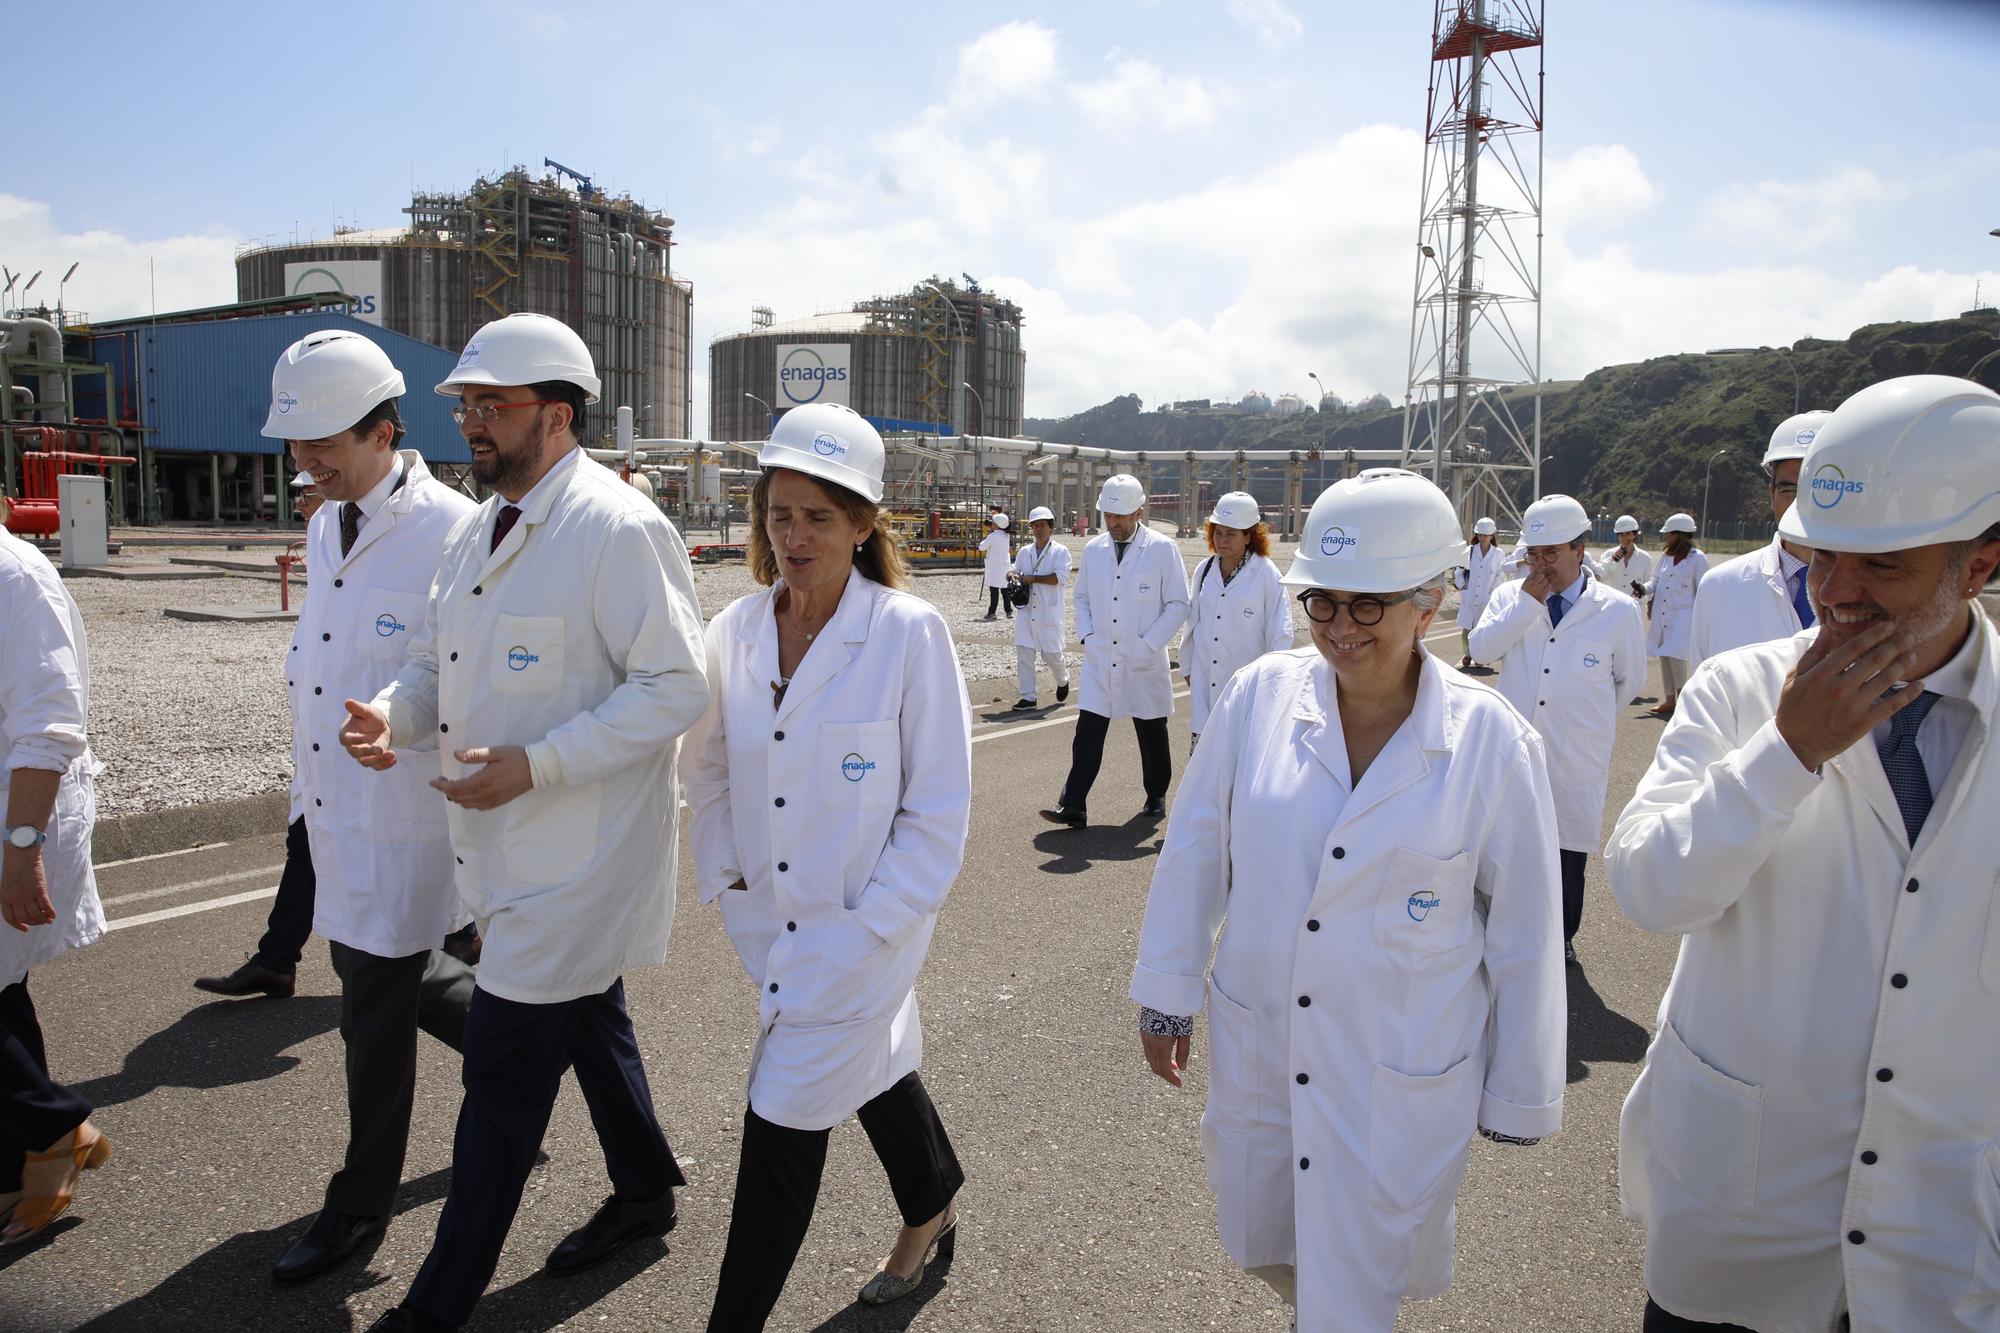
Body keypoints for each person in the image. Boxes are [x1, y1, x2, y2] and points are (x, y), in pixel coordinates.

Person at [1606, 374, 2000, 1333]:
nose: (1837, 593)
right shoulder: (1741, 693)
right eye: (1822, 558)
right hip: (1746, 1207)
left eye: (1885, 566)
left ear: (1981, 563)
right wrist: (1785, 754)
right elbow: (1649, 887)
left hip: (1943, 1230)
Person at [1130, 468, 1565, 1333]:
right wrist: (1167, 993)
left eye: (1368, 604)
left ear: (1430, 599)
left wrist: (1520, 1087)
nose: (1339, 627)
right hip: (1265, 1037)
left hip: (1396, 1066)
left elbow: (1525, 925)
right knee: (1277, 1245)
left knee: (1360, 1269)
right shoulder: (1260, 698)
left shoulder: (1490, 741)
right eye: (1322, 602)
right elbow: (1194, 851)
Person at [340, 313, 708, 1332]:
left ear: (555, 413)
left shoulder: (618, 527)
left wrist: (538, 764)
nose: (471, 425)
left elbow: (676, 688)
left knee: (500, 1082)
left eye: (490, 407)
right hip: (503, 845)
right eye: (465, 406)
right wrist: (393, 714)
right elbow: (432, 661)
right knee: (591, 1016)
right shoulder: (476, 526)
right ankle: (643, 1189)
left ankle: (433, 1308)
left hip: (575, 857)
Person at [683, 402, 972, 1331]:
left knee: (782, 1119)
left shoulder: (906, 633)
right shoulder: (734, 629)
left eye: (818, 516)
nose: (794, 536)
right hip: (768, 919)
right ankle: (932, 1204)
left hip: (870, 926)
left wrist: (870, 928)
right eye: (779, 513)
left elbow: (936, 814)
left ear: (863, 523)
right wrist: (726, 878)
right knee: (878, 1064)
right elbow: (711, 766)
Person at [250, 331, 482, 1284]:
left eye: (322, 445)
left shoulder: (455, 528)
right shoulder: (323, 521)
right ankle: (528, 1045)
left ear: (386, 430)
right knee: (391, 974)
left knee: (371, 1016)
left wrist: (398, 723)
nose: (304, 465)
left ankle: (358, 1210)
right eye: (295, 447)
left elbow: (449, 672)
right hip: (333, 806)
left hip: (406, 815)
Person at [1468, 493, 1645, 965]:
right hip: (1514, 748)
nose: (1540, 563)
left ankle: (1561, 936)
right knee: (1504, 844)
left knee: (1567, 853)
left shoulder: (1617, 611)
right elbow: (1482, 649)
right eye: (1533, 553)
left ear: (1579, 549)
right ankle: (1499, 928)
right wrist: (1526, 606)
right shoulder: (1511, 597)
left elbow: (1629, 683)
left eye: (1551, 553)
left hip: (1575, 749)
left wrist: (1583, 714)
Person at [1, 517, 112, 1245]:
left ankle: (52, 1127)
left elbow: (49, 723)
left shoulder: (17, 578)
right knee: (4, 993)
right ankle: (33, 1148)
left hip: (15, 815)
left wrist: (20, 846)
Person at [1040, 474, 1190, 827]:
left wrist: (1150, 643)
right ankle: (1073, 803)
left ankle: (1155, 795)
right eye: (1107, 516)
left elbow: (1178, 604)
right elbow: (1081, 597)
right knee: (1088, 730)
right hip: (1100, 656)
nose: (1113, 523)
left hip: (1144, 658)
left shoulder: (1162, 549)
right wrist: (1089, 635)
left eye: (1120, 516)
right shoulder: (1094, 550)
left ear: (1139, 511)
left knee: (1151, 730)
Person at [1687, 410, 1831, 672]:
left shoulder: (1884, 593)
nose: (1804, 504)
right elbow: (1700, 699)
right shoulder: (1720, 588)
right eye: (1790, 490)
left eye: (1822, 489)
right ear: (1771, 494)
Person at [1181, 491, 1291, 747]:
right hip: (1205, 679)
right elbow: (1193, 622)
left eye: (1231, 534)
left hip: (1249, 685)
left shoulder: (1266, 574)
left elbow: (1281, 631)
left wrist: (1274, 682)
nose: (1222, 540)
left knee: (1242, 761)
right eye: (1218, 532)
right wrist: (1187, 666)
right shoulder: (1204, 570)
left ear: (1249, 535)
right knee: (1204, 763)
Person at [1644, 513, 1707, 717]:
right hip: (1664, 614)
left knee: (1677, 657)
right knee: (1664, 655)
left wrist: (1702, 618)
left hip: (1684, 616)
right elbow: (1654, 582)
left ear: (1679, 535)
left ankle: (1684, 701)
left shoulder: (1697, 559)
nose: (1665, 538)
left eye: (1669, 534)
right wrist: (1643, 590)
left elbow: (1703, 589)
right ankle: (1669, 700)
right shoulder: (1666, 557)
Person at [1009, 505, 1071, 710]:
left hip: (1048, 611)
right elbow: (1014, 570)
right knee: (1024, 653)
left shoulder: (1060, 552)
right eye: (1035, 525)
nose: (1039, 529)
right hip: (1026, 611)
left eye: (1042, 525)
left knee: (1051, 655)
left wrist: (1034, 578)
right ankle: (1028, 697)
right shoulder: (1025, 552)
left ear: (1051, 527)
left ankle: (1062, 679)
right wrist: (1012, 576)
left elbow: (1060, 578)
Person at [1452, 516, 1505, 668]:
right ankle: (1467, 654)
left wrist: (1492, 593)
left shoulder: (1498, 554)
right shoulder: (1469, 551)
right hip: (1469, 595)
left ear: (1492, 535)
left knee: (1483, 628)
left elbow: (1500, 575)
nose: (1482, 538)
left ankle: (1480, 656)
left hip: (1487, 597)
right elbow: (1459, 570)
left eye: (1485, 535)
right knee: (1467, 627)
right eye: (1480, 535)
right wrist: (1463, 586)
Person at [1599, 515, 1653, 600]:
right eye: (1621, 534)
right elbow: (1599, 577)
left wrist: (1650, 605)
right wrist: (1611, 560)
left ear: (1634, 535)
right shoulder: (1607, 555)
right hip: (1613, 606)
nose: (1624, 538)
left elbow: (1649, 585)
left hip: (1635, 607)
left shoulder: (1645, 558)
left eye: (1628, 534)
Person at [978, 513, 1012, 620]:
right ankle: (1008, 611)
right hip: (1005, 566)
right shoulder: (1006, 535)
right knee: (1005, 589)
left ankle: (992, 613)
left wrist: (986, 536)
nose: (991, 524)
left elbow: (981, 547)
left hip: (995, 567)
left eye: (993, 522)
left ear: (997, 524)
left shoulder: (993, 536)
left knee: (994, 590)